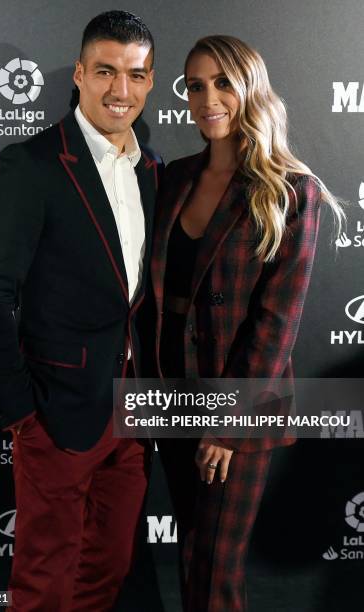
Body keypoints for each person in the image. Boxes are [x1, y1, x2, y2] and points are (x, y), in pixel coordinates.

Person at [0, 10, 162, 612]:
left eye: (135, 74)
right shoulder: (32, 165)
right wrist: (21, 411)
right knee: (45, 580)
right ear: (79, 74)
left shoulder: (151, 171)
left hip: (132, 413)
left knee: (107, 568)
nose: (120, 91)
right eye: (105, 71)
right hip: (56, 412)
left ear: (151, 82)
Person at [151, 35, 343, 611]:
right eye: (195, 85)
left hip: (237, 405)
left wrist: (228, 427)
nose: (207, 98)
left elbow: (275, 324)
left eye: (223, 83)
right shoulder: (172, 178)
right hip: (169, 394)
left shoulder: (291, 192)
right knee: (192, 559)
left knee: (215, 570)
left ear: (250, 88)